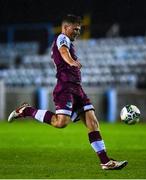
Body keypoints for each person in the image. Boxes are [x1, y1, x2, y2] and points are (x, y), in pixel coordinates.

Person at [8, 14, 128, 170]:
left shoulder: (69, 41)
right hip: (65, 87)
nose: (77, 32)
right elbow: (64, 52)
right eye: (75, 29)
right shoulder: (61, 38)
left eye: (79, 29)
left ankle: (105, 161)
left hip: (77, 88)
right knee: (61, 123)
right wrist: (72, 61)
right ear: (65, 27)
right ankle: (26, 110)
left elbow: (66, 51)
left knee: (93, 123)